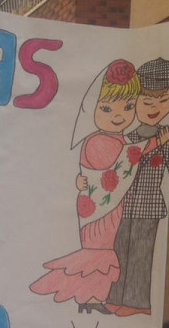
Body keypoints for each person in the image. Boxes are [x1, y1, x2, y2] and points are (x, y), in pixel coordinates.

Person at [29, 59, 144, 313]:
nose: (118, 115)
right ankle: (90, 298)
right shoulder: (96, 142)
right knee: (98, 251)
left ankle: (91, 298)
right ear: (93, 108)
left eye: (127, 106)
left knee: (103, 250)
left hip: (109, 206)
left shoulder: (119, 139)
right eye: (106, 108)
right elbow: (108, 169)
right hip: (98, 209)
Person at [104, 57, 169, 317]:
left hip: (150, 205)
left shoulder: (167, 136)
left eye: (163, 99)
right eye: (147, 101)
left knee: (141, 256)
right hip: (124, 205)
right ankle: (116, 297)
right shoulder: (129, 136)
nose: (154, 106)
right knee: (120, 252)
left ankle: (136, 303)